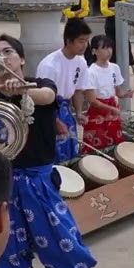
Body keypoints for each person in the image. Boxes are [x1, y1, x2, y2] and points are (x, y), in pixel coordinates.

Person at [0, 35, 117, 268]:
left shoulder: (40, 84)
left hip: (39, 185)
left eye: (8, 52)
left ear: (21, 58)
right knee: (6, 258)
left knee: (69, 248)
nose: (3, 58)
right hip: (3, 189)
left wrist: (20, 89)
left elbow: (47, 97)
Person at [36, 18, 94, 163]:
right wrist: (55, 121)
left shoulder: (81, 61)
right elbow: (41, 100)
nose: (85, 45)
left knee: (71, 151)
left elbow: (78, 91)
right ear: (68, 40)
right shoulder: (49, 65)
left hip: (66, 111)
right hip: (49, 111)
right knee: (53, 153)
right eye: (81, 41)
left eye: (87, 41)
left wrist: (79, 112)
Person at [84, 35, 131, 150]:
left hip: (112, 107)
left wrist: (125, 95)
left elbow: (117, 91)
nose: (109, 51)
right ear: (94, 51)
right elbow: (93, 101)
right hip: (98, 111)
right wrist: (111, 109)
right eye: (104, 48)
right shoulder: (91, 72)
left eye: (110, 47)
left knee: (115, 140)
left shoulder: (114, 68)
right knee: (97, 143)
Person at [98, 0, 133, 67]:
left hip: (122, 24)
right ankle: (112, 63)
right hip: (110, 25)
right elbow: (104, 12)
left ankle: (131, 64)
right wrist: (119, 10)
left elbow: (127, 10)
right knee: (110, 44)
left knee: (126, 43)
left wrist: (113, 9)